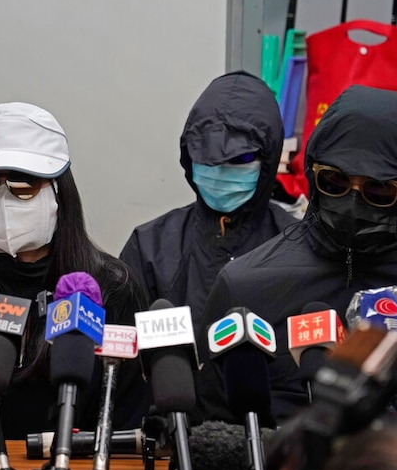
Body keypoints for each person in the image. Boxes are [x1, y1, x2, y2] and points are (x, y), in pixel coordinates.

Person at [197, 85, 397, 447]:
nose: (352, 201)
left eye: (377, 191)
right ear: (313, 175)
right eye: (335, 181)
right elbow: (211, 434)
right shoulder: (247, 285)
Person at [0, 102, 151, 439]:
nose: (2, 202)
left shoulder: (113, 289)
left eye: (23, 187)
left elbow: (127, 423)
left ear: (58, 192)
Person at [120, 71, 296, 332]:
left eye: (240, 159)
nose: (221, 170)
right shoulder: (149, 248)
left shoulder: (295, 247)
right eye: (208, 158)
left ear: (268, 160)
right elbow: (123, 349)